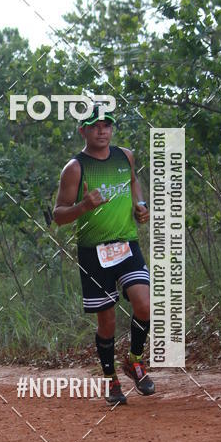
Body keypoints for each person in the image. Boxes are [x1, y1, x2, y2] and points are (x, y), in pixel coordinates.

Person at [53, 105, 155, 405]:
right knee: (107, 321)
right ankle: (111, 379)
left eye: (107, 125)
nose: (102, 131)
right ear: (82, 130)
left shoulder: (125, 156)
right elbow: (59, 216)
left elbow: (134, 181)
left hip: (126, 244)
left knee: (144, 303)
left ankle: (135, 360)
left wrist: (141, 205)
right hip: (93, 253)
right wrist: (84, 206)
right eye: (94, 126)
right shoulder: (74, 168)